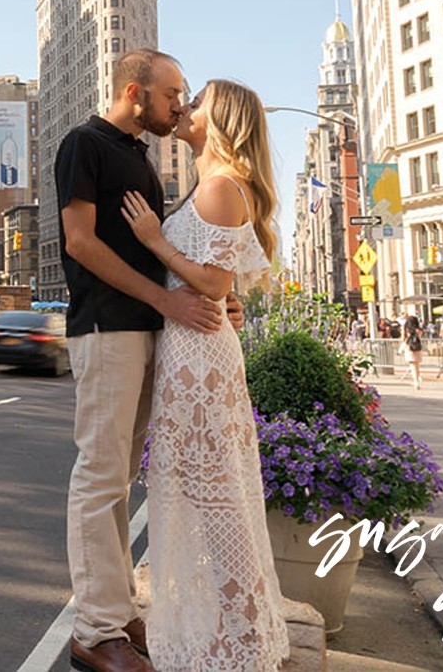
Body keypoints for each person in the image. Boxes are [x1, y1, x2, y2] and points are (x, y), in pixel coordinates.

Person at [56, 49, 229, 672]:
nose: (180, 104)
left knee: (120, 480)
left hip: (148, 326)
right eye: (173, 93)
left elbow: (156, 250)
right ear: (136, 91)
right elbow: (80, 241)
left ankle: (120, 612)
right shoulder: (85, 143)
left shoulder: (141, 157)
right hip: (107, 328)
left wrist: (197, 299)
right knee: (100, 477)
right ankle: (95, 630)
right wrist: (163, 299)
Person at [120, 79, 289, 671]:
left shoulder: (221, 187)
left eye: (197, 103)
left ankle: (238, 639)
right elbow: (220, 283)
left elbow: (215, 283)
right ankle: (212, 628)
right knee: (193, 495)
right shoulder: (207, 186)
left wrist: (152, 239)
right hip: (188, 353)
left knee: (217, 499)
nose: (186, 108)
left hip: (201, 363)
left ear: (221, 122)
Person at [402, 313, 425, 389]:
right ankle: (417, 378)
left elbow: (403, 338)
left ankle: (416, 381)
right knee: (417, 365)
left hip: (409, 347)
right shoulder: (418, 330)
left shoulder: (407, 330)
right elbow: (420, 337)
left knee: (412, 365)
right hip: (417, 347)